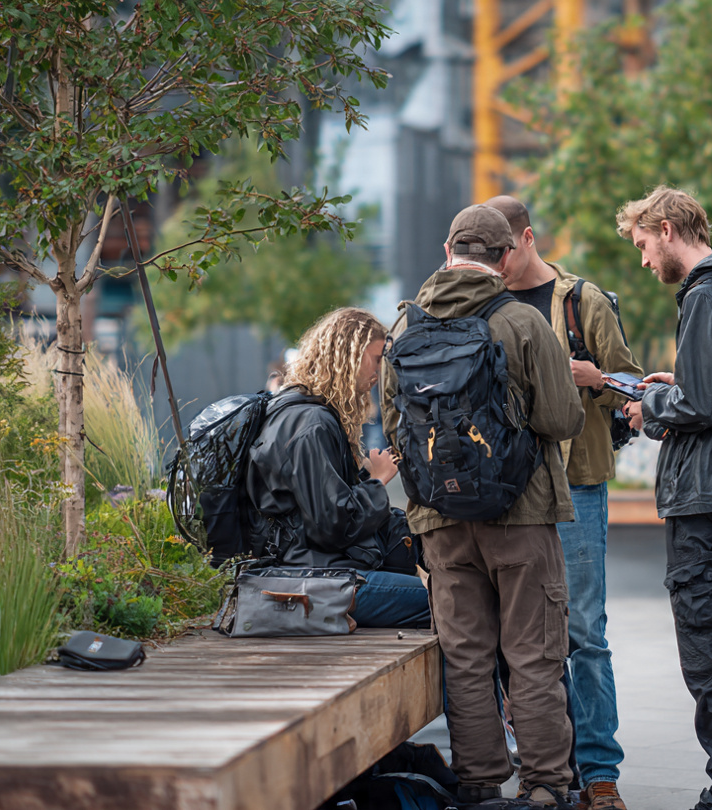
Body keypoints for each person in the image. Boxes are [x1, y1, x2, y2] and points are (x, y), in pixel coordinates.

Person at [379, 205, 586, 806]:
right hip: (520, 515)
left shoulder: (404, 326)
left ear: (448, 252)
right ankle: (543, 786)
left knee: (465, 658)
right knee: (534, 655)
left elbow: (393, 426)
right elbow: (561, 418)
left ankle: (478, 783)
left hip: (440, 521)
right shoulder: (521, 321)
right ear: (505, 257)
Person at [616, 186, 712, 810]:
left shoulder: (707, 293)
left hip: (705, 500)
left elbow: (704, 405)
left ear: (666, 228)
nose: (644, 260)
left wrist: (649, 406)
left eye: (643, 245)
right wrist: (674, 385)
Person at [484, 195, 643, 810]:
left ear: (526, 239)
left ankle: (600, 775)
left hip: (575, 485)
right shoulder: (479, 300)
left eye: (502, 251)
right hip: (508, 492)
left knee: (583, 633)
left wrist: (595, 380)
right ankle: (550, 768)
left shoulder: (582, 301)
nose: (495, 263)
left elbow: (631, 388)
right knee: (520, 637)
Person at [245, 308, 431, 629]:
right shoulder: (312, 424)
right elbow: (332, 526)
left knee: (450, 588)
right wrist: (377, 481)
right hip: (319, 581)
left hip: (317, 571)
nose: (379, 371)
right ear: (349, 357)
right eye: (375, 359)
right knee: (453, 604)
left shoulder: (300, 412)